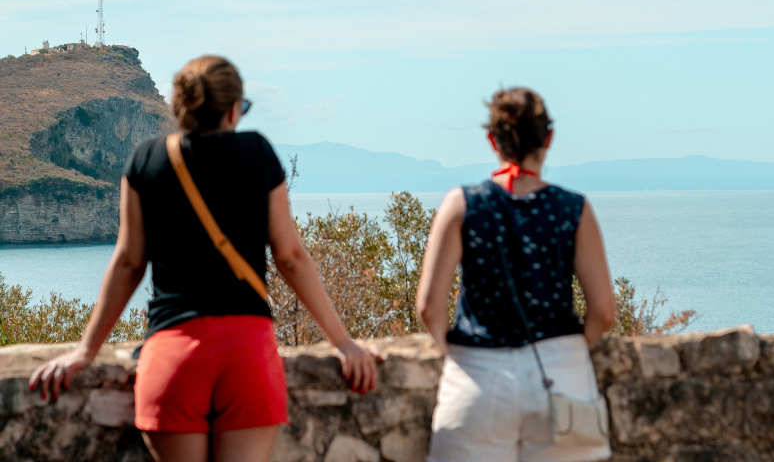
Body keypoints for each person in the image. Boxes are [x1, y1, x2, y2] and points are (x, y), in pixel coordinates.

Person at [28, 55, 380, 462]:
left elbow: (128, 262)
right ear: (234, 109)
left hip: (173, 355)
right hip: (246, 352)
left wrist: (85, 352)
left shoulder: (146, 159)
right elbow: (291, 258)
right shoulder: (258, 152)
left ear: (180, 107)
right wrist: (343, 342)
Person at [417, 86, 617, 462]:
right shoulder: (574, 209)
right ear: (549, 138)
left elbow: (429, 307)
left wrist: (459, 357)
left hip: (479, 376)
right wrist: (567, 351)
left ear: (493, 140)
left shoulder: (463, 203)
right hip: (561, 377)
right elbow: (604, 311)